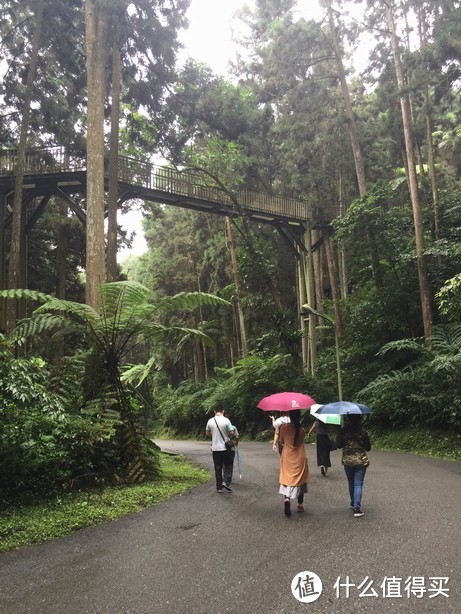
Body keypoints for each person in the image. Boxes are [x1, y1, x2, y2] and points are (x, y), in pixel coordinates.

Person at [336, 414, 371, 518]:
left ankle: (353, 503)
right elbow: (368, 448)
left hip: (348, 461)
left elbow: (338, 445)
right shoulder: (363, 432)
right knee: (358, 484)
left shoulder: (343, 431)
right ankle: (357, 508)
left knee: (351, 482)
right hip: (360, 461)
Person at [278, 409, 310, 516]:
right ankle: (300, 504)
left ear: (290, 416)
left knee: (287, 478)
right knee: (301, 480)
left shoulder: (284, 428)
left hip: (287, 456)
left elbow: (282, 442)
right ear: (299, 416)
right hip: (300, 457)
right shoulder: (302, 430)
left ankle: (287, 499)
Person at [205, 407, 236, 493]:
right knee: (229, 465)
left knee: (218, 467)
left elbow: (207, 433)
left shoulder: (210, 421)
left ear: (214, 411)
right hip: (226, 447)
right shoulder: (226, 420)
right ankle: (226, 482)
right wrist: (228, 434)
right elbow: (231, 432)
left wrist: (214, 435)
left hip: (215, 448)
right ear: (223, 411)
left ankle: (219, 487)